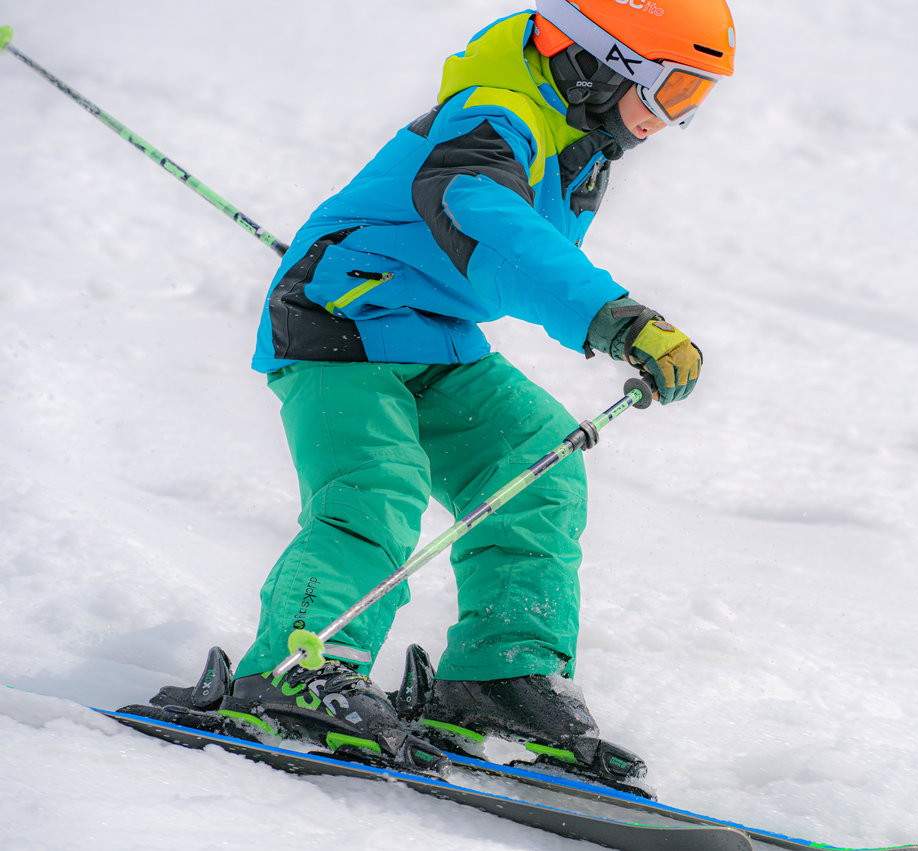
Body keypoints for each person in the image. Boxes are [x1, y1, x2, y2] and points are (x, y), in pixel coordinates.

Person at [141, 0, 737, 783]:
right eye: (670, 91)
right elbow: (490, 230)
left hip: (433, 337)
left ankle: (498, 673)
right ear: (595, 63)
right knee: (374, 491)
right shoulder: (494, 119)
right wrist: (614, 318)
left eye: (693, 100)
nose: (671, 119)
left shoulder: (575, 143)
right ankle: (296, 669)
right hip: (339, 324)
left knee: (537, 461)